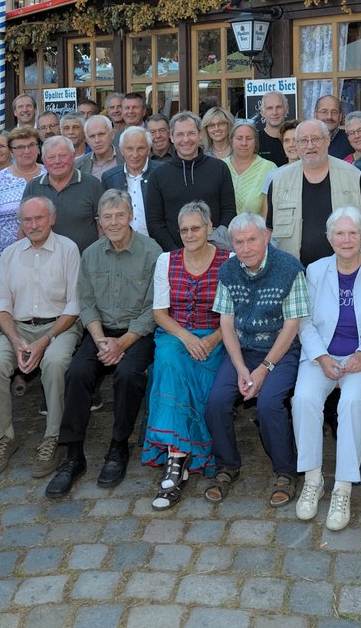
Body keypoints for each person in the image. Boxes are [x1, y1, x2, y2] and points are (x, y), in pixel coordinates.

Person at [45, 190, 161, 498]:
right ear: (99, 220)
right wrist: (99, 340)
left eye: (119, 215)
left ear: (131, 216)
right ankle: (73, 455)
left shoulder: (152, 252)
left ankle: (118, 447)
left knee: (128, 376)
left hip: (138, 333)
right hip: (100, 331)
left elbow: (154, 307)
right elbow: (88, 304)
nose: (113, 223)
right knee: (77, 374)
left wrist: (122, 343)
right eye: (107, 217)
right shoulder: (92, 254)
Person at [204, 213, 307, 507]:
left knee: (269, 403)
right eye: (239, 242)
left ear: (266, 237)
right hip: (243, 349)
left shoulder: (289, 269)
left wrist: (263, 370)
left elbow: (292, 326)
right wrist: (240, 369)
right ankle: (227, 466)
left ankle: (286, 471)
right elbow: (226, 323)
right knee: (217, 401)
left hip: (281, 350)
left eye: (252, 239)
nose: (246, 248)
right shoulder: (228, 271)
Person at [0, 197, 82, 478]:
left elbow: (74, 306)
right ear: (20, 223)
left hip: (60, 326)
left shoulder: (68, 249)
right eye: (27, 220)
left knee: (55, 364)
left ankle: (53, 437)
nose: (33, 225)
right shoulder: (10, 254)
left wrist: (44, 340)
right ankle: (2, 437)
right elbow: (1, 305)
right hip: (18, 329)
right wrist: (14, 340)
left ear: (52, 218)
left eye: (39, 218)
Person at [292, 208, 361, 531]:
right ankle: (313, 479)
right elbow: (304, 320)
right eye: (339, 234)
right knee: (304, 399)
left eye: (352, 233)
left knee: (353, 403)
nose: (346, 240)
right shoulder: (315, 271)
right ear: (329, 238)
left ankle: (343, 487)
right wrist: (320, 356)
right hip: (322, 356)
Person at [142, 201, 230, 510]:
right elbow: (159, 313)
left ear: (209, 228)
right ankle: (178, 457)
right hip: (177, 333)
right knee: (169, 361)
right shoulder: (166, 261)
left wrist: (215, 337)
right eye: (184, 230)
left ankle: (176, 460)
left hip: (217, 335)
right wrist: (187, 337)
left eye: (195, 228)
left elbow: (234, 312)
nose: (190, 234)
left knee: (197, 371)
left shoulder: (228, 260)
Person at [268, 119, 361, 267]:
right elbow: (270, 229)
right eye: (303, 141)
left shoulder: (354, 177)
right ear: (296, 145)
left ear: (327, 140)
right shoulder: (279, 181)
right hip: (293, 273)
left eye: (316, 139)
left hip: (344, 272)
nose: (310, 146)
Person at [146, 111, 238, 251]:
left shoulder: (219, 168)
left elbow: (229, 211)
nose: (186, 139)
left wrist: (213, 244)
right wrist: (177, 253)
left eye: (191, 133)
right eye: (180, 134)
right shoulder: (158, 175)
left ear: (200, 135)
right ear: (171, 137)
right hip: (174, 255)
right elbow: (154, 222)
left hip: (215, 252)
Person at [22, 136, 104, 253]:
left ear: (73, 156)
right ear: (43, 160)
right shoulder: (33, 187)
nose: (57, 161)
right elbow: (24, 227)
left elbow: (102, 226)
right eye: (51, 157)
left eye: (62, 156)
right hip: (44, 262)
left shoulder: (92, 184)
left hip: (84, 262)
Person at [0, 127, 45, 259]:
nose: (26, 151)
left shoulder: (48, 175)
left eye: (31, 145)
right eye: (19, 147)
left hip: (44, 253)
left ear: (38, 148)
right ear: (11, 152)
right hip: (4, 255)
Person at [102, 125, 162, 235]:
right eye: (129, 149)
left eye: (140, 149)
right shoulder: (109, 178)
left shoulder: (162, 173)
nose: (135, 155)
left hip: (158, 245)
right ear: (121, 150)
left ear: (148, 150)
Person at [226, 121, 275, 216]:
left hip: (257, 230)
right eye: (239, 138)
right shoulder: (220, 166)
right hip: (223, 230)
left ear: (256, 142)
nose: (244, 143)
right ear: (231, 140)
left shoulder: (269, 168)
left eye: (249, 138)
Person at [77, 115, 119, 179]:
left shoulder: (126, 158)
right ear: (86, 140)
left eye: (101, 134)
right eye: (92, 136)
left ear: (112, 134)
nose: (97, 140)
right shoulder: (78, 165)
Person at [315, 94, 354, 159]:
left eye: (334, 112)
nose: (329, 117)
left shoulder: (351, 139)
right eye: (324, 112)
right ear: (315, 115)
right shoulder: (307, 140)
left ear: (340, 117)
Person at [256, 91, 290, 165]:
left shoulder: (297, 139)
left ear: (286, 109)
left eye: (279, 107)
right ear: (262, 112)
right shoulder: (255, 141)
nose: (274, 112)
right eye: (269, 108)